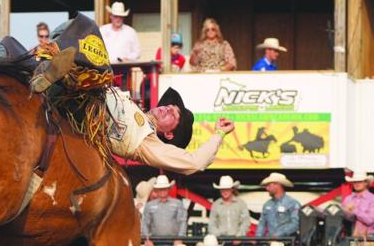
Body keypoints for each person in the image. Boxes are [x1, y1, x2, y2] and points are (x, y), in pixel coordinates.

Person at [31, 15, 235, 179]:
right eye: (169, 106)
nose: (167, 108)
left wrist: (218, 134)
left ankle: (50, 72)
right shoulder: (133, 106)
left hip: (84, 112)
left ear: (170, 135)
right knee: (84, 26)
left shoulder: (149, 144)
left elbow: (195, 163)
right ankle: (46, 68)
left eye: (173, 114)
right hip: (81, 92)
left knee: (97, 65)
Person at [141, 175, 187, 246]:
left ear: (168, 189)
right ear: (156, 190)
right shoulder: (149, 205)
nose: (162, 191)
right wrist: (147, 240)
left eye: (164, 189)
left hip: (174, 243)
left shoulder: (178, 203)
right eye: (160, 189)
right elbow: (145, 224)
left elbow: (182, 222)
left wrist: (179, 239)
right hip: (154, 243)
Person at [256, 173, 300, 238]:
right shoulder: (267, 204)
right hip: (270, 243)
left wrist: (278, 235)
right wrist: (258, 237)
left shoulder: (292, 203)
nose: (267, 188)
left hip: (287, 243)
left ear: (277, 185)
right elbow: (262, 223)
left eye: (269, 185)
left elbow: (296, 224)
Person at [207, 175, 251, 239]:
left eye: (227, 189)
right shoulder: (215, 205)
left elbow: (246, 222)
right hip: (220, 240)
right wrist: (218, 236)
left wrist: (239, 236)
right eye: (223, 189)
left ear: (232, 189)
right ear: (220, 190)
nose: (225, 192)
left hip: (237, 240)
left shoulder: (241, 203)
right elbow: (211, 224)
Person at [341, 170, 374, 237]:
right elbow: (342, 218)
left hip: (367, 236)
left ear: (366, 183)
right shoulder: (348, 199)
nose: (357, 184)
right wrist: (345, 212)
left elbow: (370, 220)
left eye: (360, 181)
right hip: (350, 235)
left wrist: (354, 210)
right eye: (355, 181)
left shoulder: (373, 199)